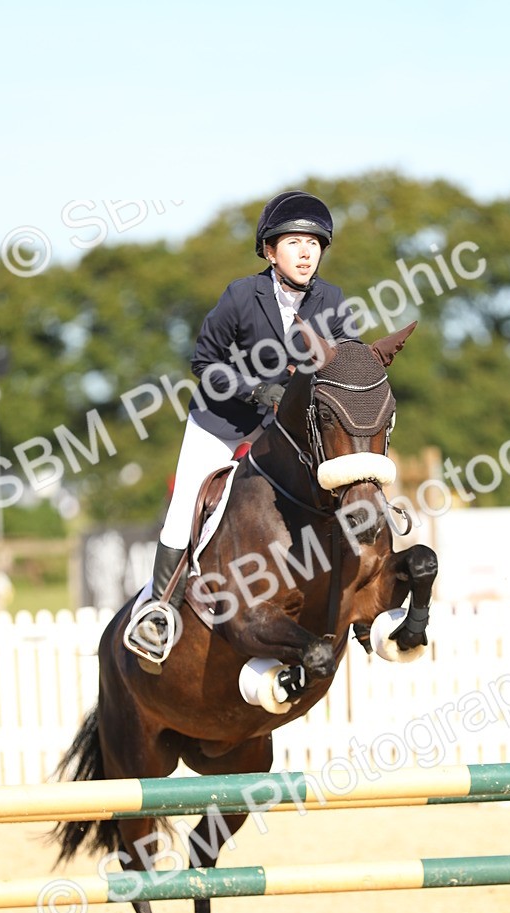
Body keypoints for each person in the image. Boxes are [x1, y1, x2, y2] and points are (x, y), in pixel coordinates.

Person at [124, 190, 355, 666]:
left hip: (287, 433)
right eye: (294, 242)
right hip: (223, 420)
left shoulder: (331, 300)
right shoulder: (239, 295)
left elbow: (345, 365)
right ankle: (158, 611)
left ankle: (360, 600)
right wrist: (257, 390)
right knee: (185, 506)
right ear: (270, 251)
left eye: (314, 243)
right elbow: (203, 361)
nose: (307, 252)